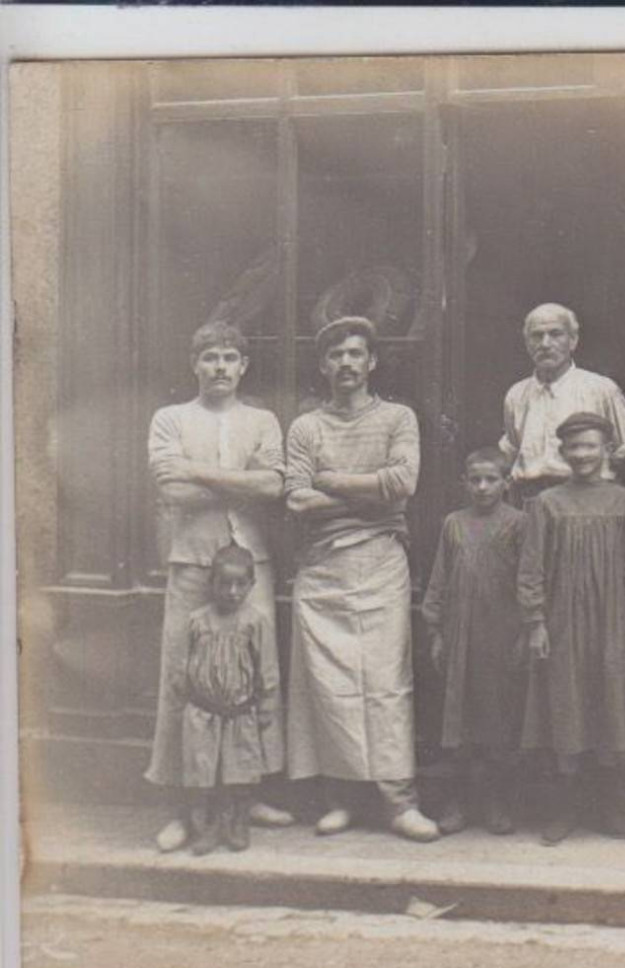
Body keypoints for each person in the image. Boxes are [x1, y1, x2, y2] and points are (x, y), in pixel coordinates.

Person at [283, 316, 438, 843]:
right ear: (323, 365)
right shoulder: (306, 427)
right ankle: (341, 797)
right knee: (329, 684)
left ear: (372, 361)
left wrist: (332, 482)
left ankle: (399, 801)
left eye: (356, 353)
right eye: (336, 355)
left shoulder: (398, 418)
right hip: (321, 566)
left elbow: (402, 485)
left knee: (385, 682)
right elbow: (297, 498)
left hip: (380, 561)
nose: (346, 363)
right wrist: (367, 494)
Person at [145, 321, 292, 852]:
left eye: (230, 358)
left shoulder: (262, 420)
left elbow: (273, 484)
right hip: (191, 561)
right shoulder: (171, 419)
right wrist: (237, 482)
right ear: (195, 364)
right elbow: (169, 487)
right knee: (182, 677)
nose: (221, 367)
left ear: (244, 365)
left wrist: (199, 472)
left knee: (252, 674)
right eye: (211, 358)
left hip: (249, 563)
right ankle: (183, 807)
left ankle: (244, 795)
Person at [519, 412, 625, 845]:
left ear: (606, 450)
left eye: (590, 446)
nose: (581, 455)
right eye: (573, 447)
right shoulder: (547, 503)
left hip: (610, 620)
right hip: (562, 621)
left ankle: (607, 806)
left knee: (608, 702)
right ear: (562, 452)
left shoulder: (623, 501)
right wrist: (536, 621)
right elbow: (531, 567)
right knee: (567, 703)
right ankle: (566, 807)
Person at [420, 447, 528, 836]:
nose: (482, 487)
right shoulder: (453, 523)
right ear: (464, 483)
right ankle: (457, 803)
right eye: (475, 480)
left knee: (497, 722)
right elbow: (439, 579)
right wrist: (435, 631)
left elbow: (529, 583)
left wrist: (526, 633)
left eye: (491, 480)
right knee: (458, 725)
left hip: (500, 636)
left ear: (506, 483)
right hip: (459, 636)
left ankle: (496, 803)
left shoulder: (519, 523)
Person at [173, 543, 279, 856]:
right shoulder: (197, 621)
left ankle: (237, 823)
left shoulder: (255, 622)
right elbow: (182, 665)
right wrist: (185, 700)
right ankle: (205, 827)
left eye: (240, 584)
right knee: (203, 772)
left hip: (240, 713)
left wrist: (265, 708)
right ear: (211, 583)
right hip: (202, 713)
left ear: (251, 585)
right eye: (224, 583)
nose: (232, 592)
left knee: (239, 772)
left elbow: (267, 668)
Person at [499, 303, 625, 506]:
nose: (545, 343)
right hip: (531, 508)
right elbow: (510, 457)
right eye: (537, 335)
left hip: (588, 506)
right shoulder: (516, 395)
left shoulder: (601, 389)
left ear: (573, 341)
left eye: (555, 334)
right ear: (527, 344)